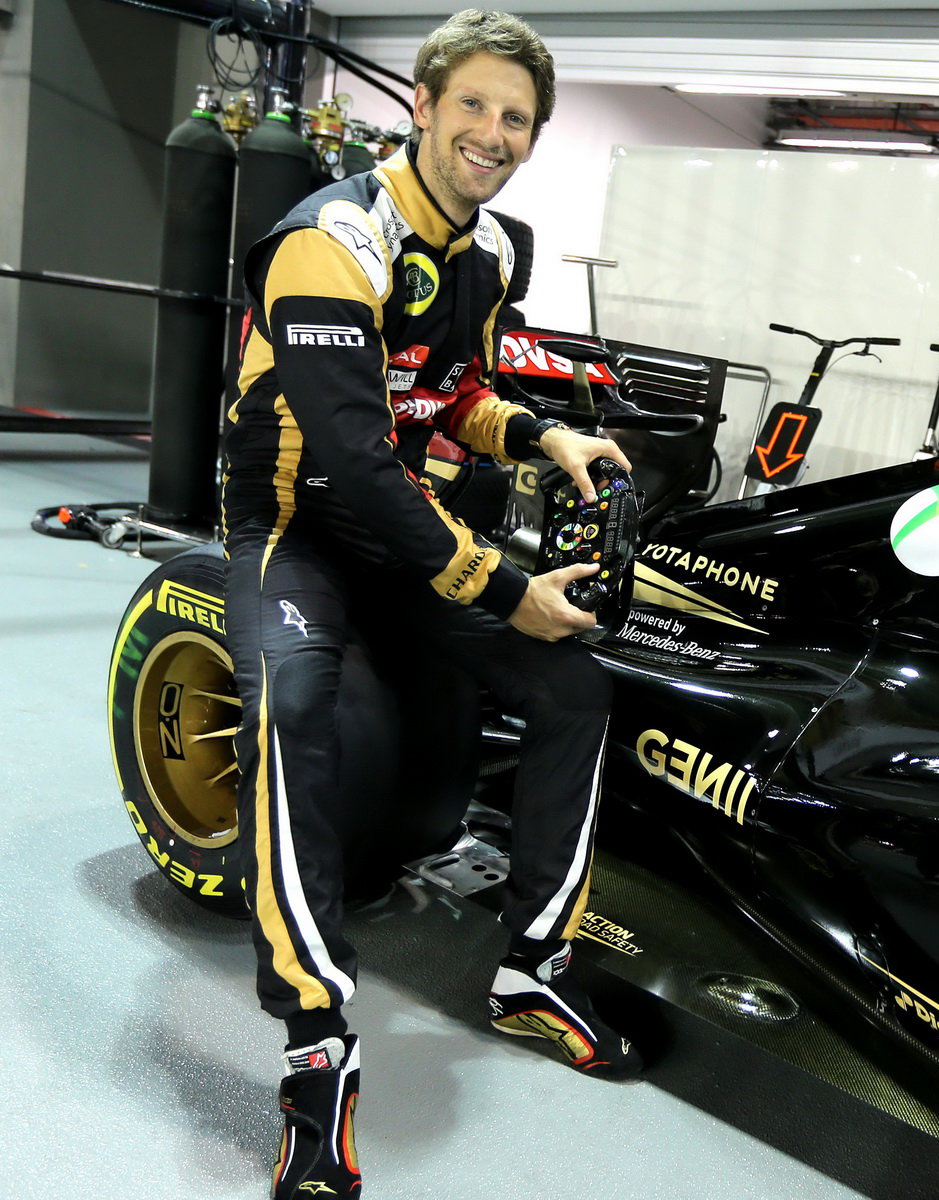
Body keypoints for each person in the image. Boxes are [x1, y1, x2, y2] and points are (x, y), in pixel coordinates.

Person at [220, 13, 642, 1198]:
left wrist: (546, 429)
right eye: (476, 107)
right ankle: (316, 1048)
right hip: (296, 529)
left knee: (574, 688)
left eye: (517, 119)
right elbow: (354, 456)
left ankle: (531, 971)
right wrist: (502, 589)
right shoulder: (333, 239)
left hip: (400, 530)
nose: (493, 134)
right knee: (290, 713)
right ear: (422, 102)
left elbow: (451, 396)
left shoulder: (497, 248)